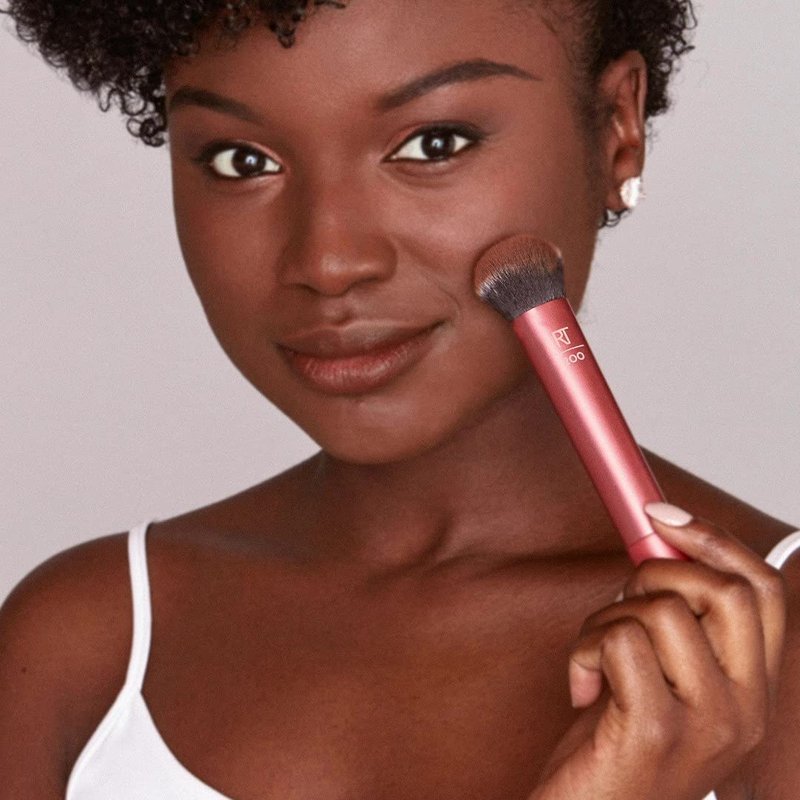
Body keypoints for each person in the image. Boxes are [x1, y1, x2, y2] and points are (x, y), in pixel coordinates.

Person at [1, 1, 797, 798]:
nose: (328, 261)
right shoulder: (86, 646)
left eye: (433, 144)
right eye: (242, 161)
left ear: (617, 127)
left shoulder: (778, 661)